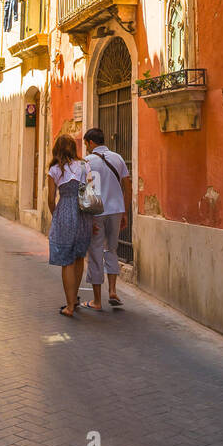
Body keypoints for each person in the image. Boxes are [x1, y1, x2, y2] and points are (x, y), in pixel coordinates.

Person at [82, 127, 131, 310]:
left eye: (87, 144)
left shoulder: (87, 161)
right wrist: (124, 211)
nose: (86, 147)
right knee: (111, 249)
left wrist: (86, 217)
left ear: (91, 142)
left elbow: (85, 190)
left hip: (96, 212)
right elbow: (128, 186)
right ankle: (112, 290)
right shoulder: (118, 158)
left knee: (95, 252)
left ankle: (96, 300)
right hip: (116, 210)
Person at [47, 134, 92, 318]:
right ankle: (74, 300)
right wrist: (93, 219)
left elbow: (51, 199)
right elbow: (90, 194)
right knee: (79, 256)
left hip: (64, 211)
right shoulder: (84, 165)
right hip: (83, 213)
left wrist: (55, 214)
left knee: (67, 260)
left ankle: (70, 306)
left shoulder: (55, 169)